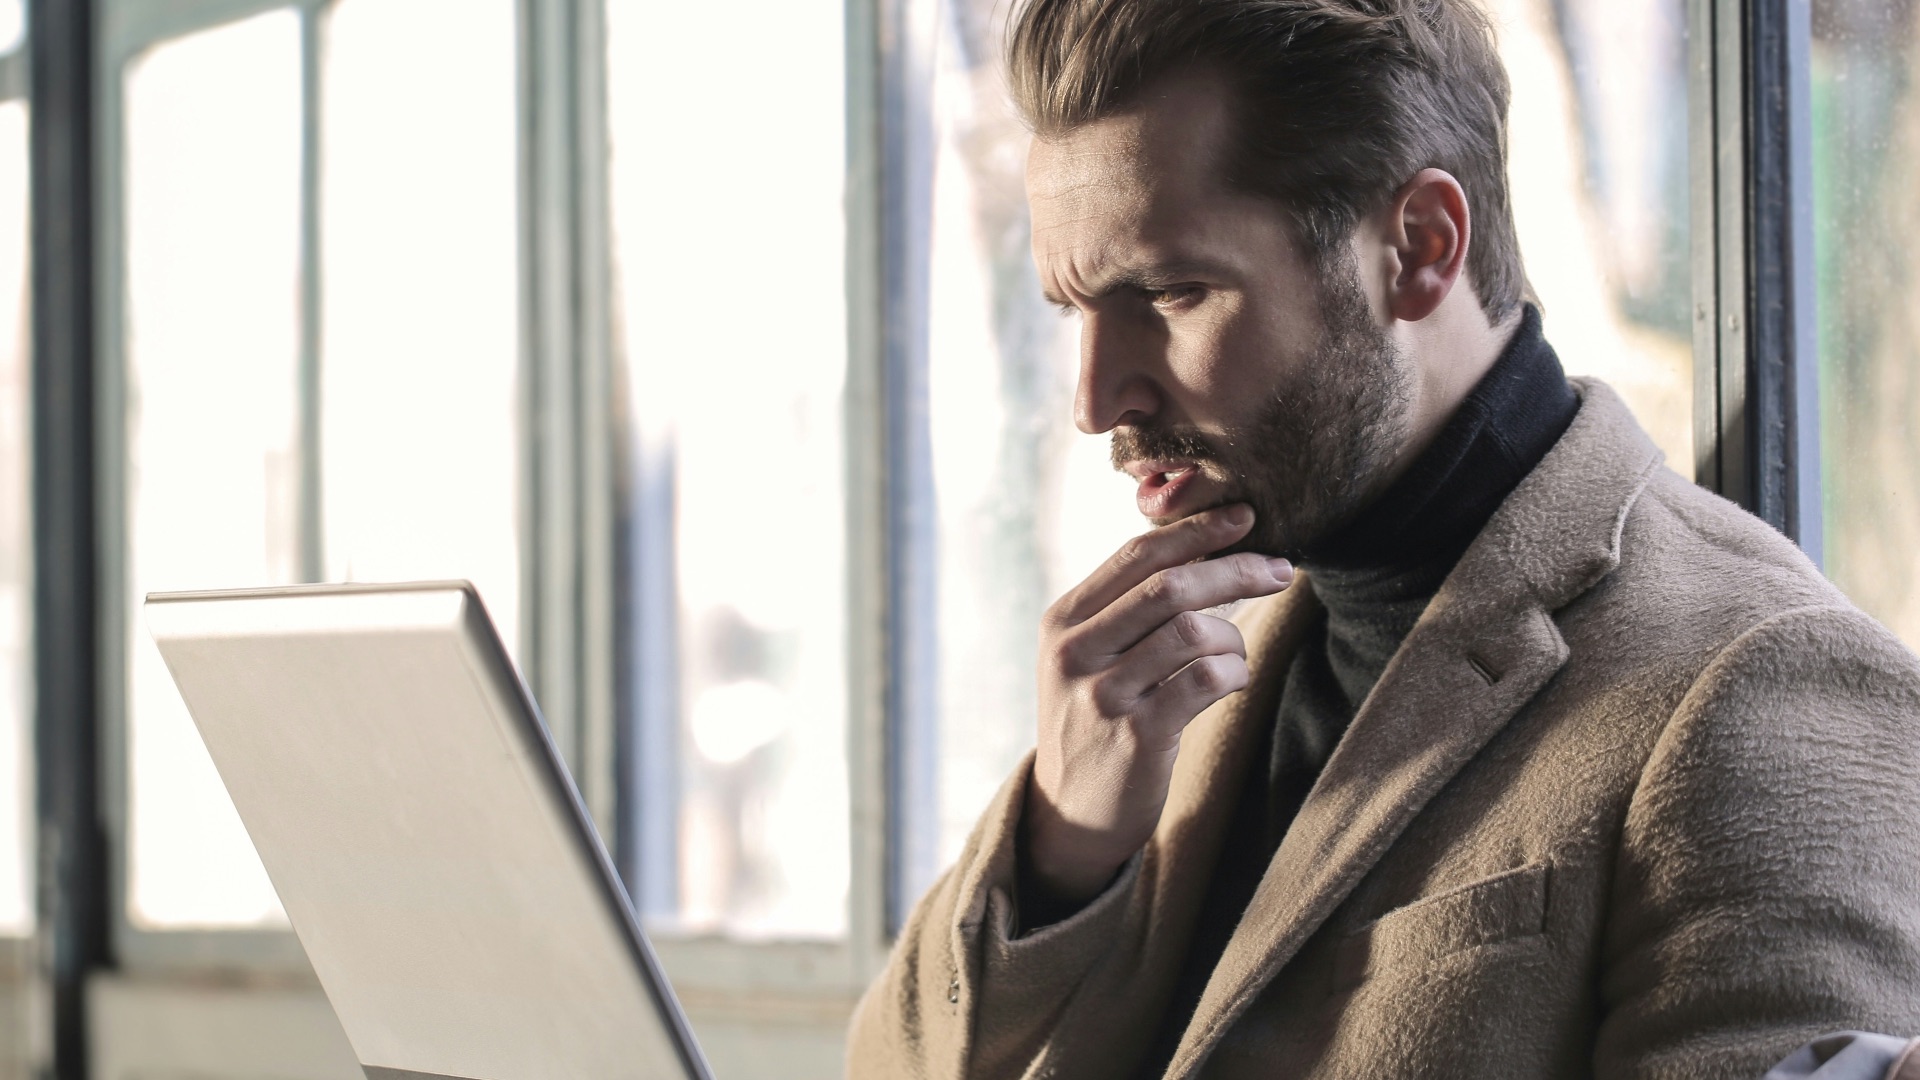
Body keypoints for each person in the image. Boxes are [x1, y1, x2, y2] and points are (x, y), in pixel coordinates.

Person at [847, 0, 1920, 1076]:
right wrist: (1061, 845)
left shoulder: (1768, 686)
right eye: (1074, 309)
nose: (1095, 398)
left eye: (1171, 292)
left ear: (1419, 248)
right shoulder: (1182, 659)